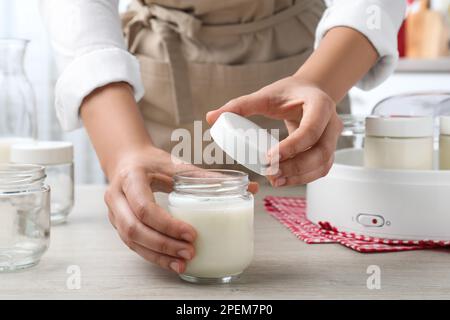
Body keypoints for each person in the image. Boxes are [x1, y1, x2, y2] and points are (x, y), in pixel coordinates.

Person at [41, 0, 406, 273]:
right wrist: (124, 151)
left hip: (312, 61)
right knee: (162, 226)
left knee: (324, 259)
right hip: (154, 76)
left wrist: (318, 82)